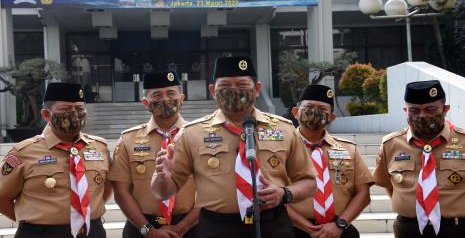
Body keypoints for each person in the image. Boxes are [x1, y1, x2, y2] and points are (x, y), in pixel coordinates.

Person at [151, 56, 316, 238]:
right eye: (226, 86)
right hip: (216, 227)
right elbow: (162, 193)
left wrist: (284, 194)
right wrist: (163, 178)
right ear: (213, 90)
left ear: (257, 89)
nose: (234, 91)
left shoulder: (284, 129)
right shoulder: (191, 133)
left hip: (272, 224)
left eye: (242, 85)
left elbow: (309, 183)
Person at [0, 82, 112, 238]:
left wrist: (86, 213)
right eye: (65, 109)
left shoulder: (100, 147)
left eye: (79, 109)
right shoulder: (23, 152)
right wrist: (31, 223)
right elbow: (2, 197)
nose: (74, 114)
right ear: (46, 115)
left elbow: (106, 188)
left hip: (91, 232)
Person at [109, 71, 198, 238]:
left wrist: (181, 228)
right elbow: (121, 192)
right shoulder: (128, 140)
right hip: (140, 228)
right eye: (156, 95)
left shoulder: (198, 136)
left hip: (191, 227)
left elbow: (209, 191)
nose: (164, 99)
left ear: (182, 98)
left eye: (171, 93)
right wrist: (147, 230)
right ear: (145, 102)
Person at [374, 80, 465, 238]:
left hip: (457, 228)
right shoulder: (390, 144)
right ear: (405, 111)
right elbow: (389, 185)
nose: (422, 115)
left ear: (445, 109)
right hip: (408, 229)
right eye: (414, 110)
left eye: (430, 109)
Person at [288, 84, 373, 238]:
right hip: (294, 230)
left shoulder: (348, 149)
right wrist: (307, 227)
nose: (314, 112)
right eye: (309, 106)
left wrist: (339, 224)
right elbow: (274, 194)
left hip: (339, 229)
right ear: (295, 112)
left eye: (322, 109)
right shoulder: (283, 149)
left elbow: (363, 193)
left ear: (331, 117)